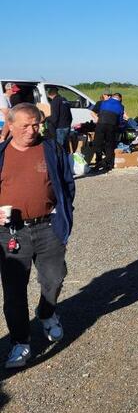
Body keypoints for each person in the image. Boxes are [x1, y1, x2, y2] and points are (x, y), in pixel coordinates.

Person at [0, 104, 75, 369]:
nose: (33, 130)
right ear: (10, 125)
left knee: (55, 277)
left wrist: (65, 217)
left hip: (48, 226)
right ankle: (21, 342)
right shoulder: (2, 153)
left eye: (36, 124)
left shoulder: (51, 148)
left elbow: (67, 184)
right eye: (25, 126)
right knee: (14, 290)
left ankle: (46, 313)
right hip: (11, 232)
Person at [92, 92, 124, 173]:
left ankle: (97, 163)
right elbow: (120, 121)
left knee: (98, 144)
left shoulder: (103, 103)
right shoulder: (120, 106)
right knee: (109, 146)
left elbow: (97, 113)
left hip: (100, 125)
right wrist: (121, 126)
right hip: (111, 126)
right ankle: (108, 165)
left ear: (112, 97)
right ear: (119, 99)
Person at [46, 86, 73, 152]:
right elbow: (70, 115)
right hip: (67, 126)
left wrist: (46, 118)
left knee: (59, 148)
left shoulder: (55, 101)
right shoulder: (64, 99)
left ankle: (61, 161)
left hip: (60, 128)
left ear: (50, 94)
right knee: (66, 148)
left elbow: (55, 117)